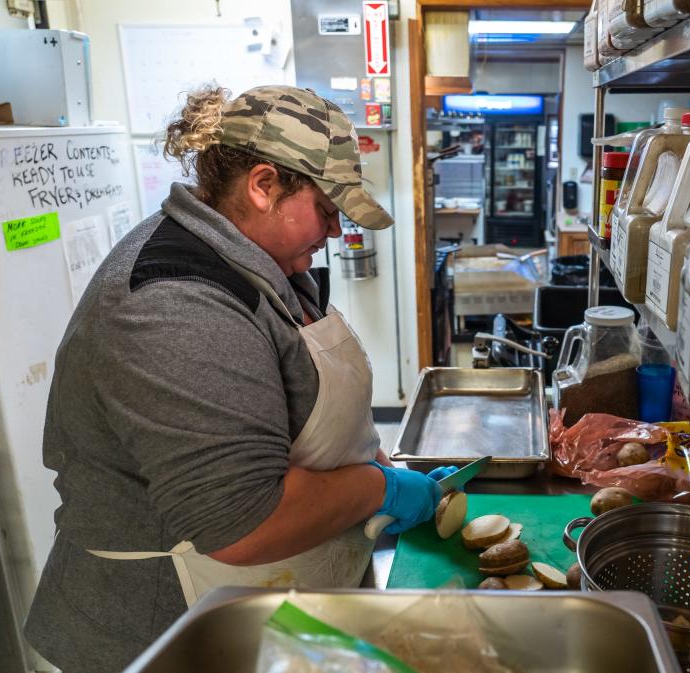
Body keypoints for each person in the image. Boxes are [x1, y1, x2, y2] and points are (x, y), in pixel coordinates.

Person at [25, 85, 449, 673]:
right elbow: (242, 523)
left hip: (274, 601)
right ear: (264, 184)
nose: (333, 232)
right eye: (327, 211)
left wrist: (374, 463)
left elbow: (297, 408)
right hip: (168, 629)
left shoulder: (256, 260)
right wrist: (378, 489)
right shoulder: (174, 306)